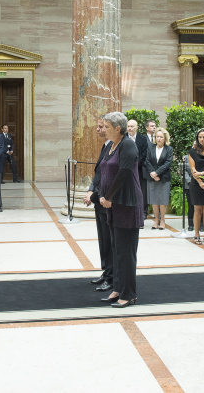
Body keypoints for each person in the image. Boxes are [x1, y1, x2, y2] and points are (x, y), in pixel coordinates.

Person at [99, 111, 143, 308]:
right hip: (114, 205)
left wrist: (109, 197)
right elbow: (104, 171)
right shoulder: (112, 145)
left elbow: (124, 173)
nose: (104, 130)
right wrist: (100, 194)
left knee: (126, 252)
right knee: (116, 249)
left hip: (126, 204)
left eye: (107, 127)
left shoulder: (128, 145)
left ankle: (129, 294)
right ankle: (117, 288)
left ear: (118, 128)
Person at [84, 115, 114, 293]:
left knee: (110, 241)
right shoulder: (106, 145)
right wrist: (90, 190)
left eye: (101, 127)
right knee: (103, 239)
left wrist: (97, 194)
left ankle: (111, 277)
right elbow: (98, 172)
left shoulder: (117, 146)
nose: (98, 129)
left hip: (107, 200)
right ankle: (106, 271)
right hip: (99, 199)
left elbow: (108, 176)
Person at [145, 127, 173, 230]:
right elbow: (147, 160)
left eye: (161, 137)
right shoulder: (150, 147)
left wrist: (157, 173)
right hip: (152, 177)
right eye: (157, 136)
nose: (159, 139)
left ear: (165, 138)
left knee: (163, 199)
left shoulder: (169, 149)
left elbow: (168, 163)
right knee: (154, 199)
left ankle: (162, 220)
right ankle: (156, 220)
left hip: (164, 177)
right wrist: (152, 173)